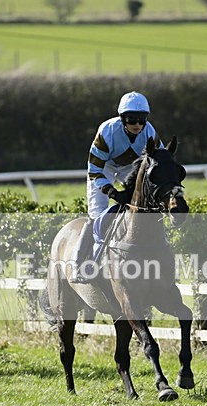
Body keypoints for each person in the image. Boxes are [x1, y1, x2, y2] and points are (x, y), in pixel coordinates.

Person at [71, 91, 163, 282]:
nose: (137, 125)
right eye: (131, 119)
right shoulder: (107, 132)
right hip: (104, 168)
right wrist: (112, 192)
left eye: (142, 119)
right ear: (122, 119)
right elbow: (95, 170)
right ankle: (79, 266)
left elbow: (162, 159)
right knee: (96, 215)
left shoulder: (149, 132)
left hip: (130, 168)